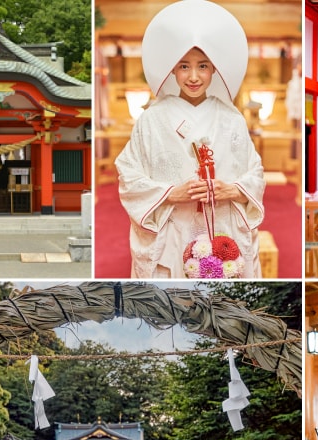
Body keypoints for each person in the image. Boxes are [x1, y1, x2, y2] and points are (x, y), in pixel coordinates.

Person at [116, 0, 265, 278]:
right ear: (172, 70)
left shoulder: (231, 119)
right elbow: (128, 174)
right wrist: (171, 193)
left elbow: (255, 172)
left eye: (203, 66)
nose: (194, 76)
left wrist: (233, 190)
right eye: (184, 66)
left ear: (214, 70)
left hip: (224, 225)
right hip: (172, 226)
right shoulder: (151, 119)